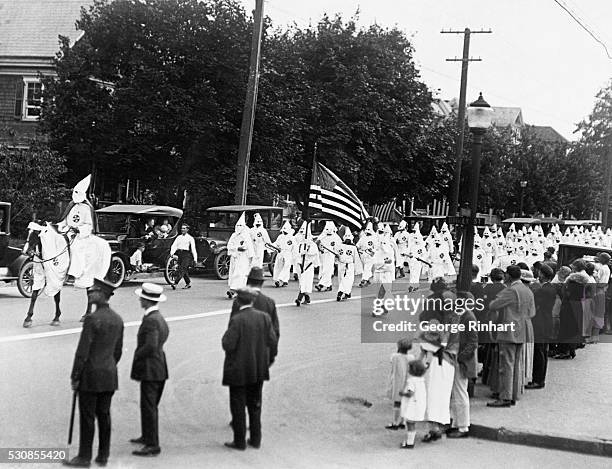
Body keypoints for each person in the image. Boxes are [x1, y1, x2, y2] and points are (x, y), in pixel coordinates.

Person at [64, 278, 124, 468]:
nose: (90, 294)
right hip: (109, 375)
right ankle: (103, 455)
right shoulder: (118, 319)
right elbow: (118, 351)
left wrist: (75, 376)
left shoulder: (92, 319)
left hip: (90, 376)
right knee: (104, 415)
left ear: (102, 295)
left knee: (87, 416)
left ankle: (84, 457)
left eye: (93, 291)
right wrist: (108, 365)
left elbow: (82, 352)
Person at [222, 287, 278, 450]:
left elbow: (228, 344)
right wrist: (267, 361)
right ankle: (255, 438)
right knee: (255, 405)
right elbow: (272, 342)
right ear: (252, 301)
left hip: (239, 370)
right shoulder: (265, 318)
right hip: (258, 370)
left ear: (239, 301)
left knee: (238, 405)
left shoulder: (237, 320)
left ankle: (239, 441)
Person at [487, 265, 535, 407]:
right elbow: (532, 313)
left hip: (509, 330)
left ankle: (505, 397)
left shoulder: (511, 290)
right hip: (522, 330)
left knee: (506, 365)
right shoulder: (527, 290)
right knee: (515, 365)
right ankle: (512, 394)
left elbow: (493, 305)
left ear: (508, 276)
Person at [130, 283, 169, 457]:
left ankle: (152, 444)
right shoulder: (158, 317)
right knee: (149, 405)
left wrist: (138, 354)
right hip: (158, 366)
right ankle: (147, 436)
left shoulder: (151, 320)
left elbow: (150, 346)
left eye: (142, 298)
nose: (139, 300)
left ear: (147, 300)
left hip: (151, 368)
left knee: (149, 406)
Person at [447, 291, 478, 438]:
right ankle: (456, 423)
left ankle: (463, 427)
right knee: (454, 393)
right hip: (453, 358)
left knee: (460, 393)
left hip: (461, 360)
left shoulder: (468, 317)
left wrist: (460, 357)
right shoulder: (459, 315)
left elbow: (473, 342)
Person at [230, 267, 280, 341]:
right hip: (263, 347)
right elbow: (275, 331)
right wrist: (271, 351)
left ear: (248, 281)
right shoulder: (269, 302)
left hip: (242, 346)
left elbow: (232, 329)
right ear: (262, 283)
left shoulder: (239, 301)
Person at [528, 264, 557, 389]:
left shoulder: (542, 290)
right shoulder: (551, 288)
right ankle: (539, 379)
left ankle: (538, 380)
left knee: (539, 352)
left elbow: (535, 305)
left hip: (540, 322)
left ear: (542, 274)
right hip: (547, 321)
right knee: (543, 352)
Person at [398, 359, 427, 449]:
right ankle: (410, 441)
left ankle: (410, 442)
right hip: (419, 404)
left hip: (412, 405)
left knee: (410, 424)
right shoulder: (422, 380)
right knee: (412, 423)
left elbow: (410, 393)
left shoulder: (411, 381)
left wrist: (402, 393)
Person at [386, 338, 412, 431]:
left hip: (397, 382)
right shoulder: (411, 357)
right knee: (405, 403)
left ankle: (395, 422)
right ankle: (403, 421)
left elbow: (392, 361)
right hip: (407, 382)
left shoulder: (394, 356)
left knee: (397, 403)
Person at [227, 212, 255, 298]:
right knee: (233, 273)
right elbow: (229, 245)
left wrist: (251, 259)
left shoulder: (246, 236)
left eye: (240, 226)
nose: (239, 227)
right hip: (235, 256)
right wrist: (236, 248)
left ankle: (233, 289)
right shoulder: (234, 235)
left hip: (243, 258)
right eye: (237, 225)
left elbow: (250, 248)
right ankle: (235, 289)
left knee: (240, 274)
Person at [170, 224, 197, 290]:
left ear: (187, 230)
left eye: (184, 228)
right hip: (180, 254)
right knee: (183, 270)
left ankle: (175, 283)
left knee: (182, 268)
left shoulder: (190, 238)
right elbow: (174, 245)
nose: (182, 230)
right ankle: (188, 283)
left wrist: (195, 258)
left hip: (187, 255)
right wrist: (172, 253)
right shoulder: (178, 237)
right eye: (182, 228)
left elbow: (193, 249)